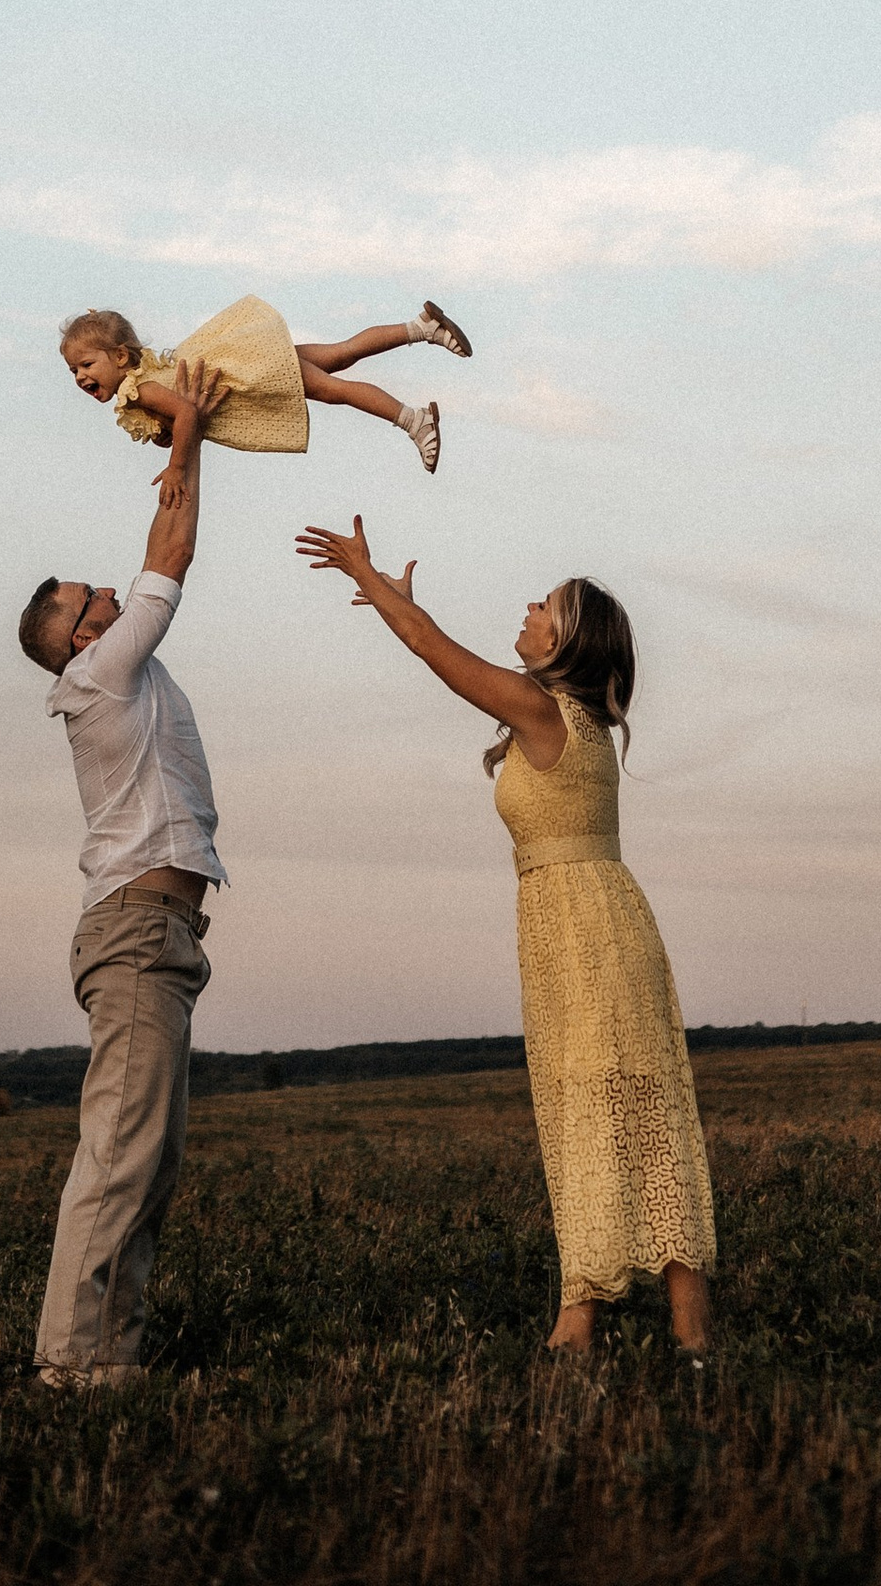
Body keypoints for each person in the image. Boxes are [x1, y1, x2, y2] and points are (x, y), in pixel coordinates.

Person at [296, 520, 715, 1360]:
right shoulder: (570, 721)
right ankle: (686, 1324)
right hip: (585, 924)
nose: (527, 607)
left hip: (586, 929)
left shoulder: (545, 710)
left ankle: (582, 1316)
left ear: (567, 642)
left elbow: (428, 649)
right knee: (637, 1110)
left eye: (545, 606)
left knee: (597, 1111)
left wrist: (372, 581)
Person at [16, 356, 232, 1384]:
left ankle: (111, 1356)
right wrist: (183, 427)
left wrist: (190, 437)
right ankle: (71, 1365)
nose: (108, 584)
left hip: (156, 933)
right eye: (89, 594)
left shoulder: (114, 669)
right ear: (80, 634)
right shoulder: (101, 671)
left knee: (148, 1160)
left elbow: (166, 534)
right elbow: (175, 541)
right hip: (139, 933)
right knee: (120, 1157)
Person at [62, 291, 473, 485]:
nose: (80, 376)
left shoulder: (140, 390)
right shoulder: (143, 385)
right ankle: (422, 328)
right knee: (341, 353)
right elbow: (177, 422)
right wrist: (167, 436)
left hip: (253, 374)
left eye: (86, 364)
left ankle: (414, 421)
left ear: (119, 357)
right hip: (249, 363)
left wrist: (176, 469)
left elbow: (188, 414)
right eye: (73, 371)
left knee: (335, 389)